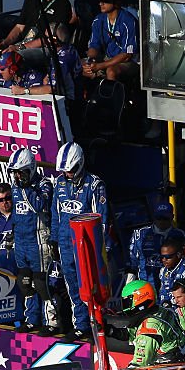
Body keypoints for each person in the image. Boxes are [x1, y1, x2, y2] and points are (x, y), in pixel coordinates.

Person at [50, 141, 107, 341]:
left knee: (91, 285)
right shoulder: (59, 183)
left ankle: (98, 323)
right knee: (72, 287)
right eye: (65, 171)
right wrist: (54, 240)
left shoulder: (95, 184)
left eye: (71, 170)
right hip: (66, 244)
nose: (68, 174)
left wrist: (100, 248)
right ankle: (81, 326)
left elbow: (102, 219)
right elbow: (55, 214)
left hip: (87, 245)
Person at [7, 148, 55, 332]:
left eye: (21, 172)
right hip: (21, 242)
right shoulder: (14, 187)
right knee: (25, 283)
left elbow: (40, 206)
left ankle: (51, 323)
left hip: (38, 240)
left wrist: (27, 187)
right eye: (15, 173)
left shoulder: (44, 184)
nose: (17, 177)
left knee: (42, 284)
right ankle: (32, 320)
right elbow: (16, 215)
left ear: (30, 169)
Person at [0, 0, 77, 71]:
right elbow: (20, 26)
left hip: (44, 47)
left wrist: (20, 47)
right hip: (23, 43)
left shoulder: (63, 4)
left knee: (14, 57)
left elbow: (51, 38)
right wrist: (5, 43)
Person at [110, 280, 185, 367]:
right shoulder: (160, 310)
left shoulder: (149, 328)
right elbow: (131, 333)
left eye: (127, 303)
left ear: (140, 300)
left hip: (172, 367)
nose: (125, 308)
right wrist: (110, 330)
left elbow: (137, 367)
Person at [127, 201, 185, 290]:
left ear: (172, 217)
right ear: (153, 217)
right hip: (146, 287)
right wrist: (129, 286)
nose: (161, 221)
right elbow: (132, 264)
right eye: (158, 218)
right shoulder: (140, 235)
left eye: (165, 218)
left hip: (173, 288)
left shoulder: (182, 236)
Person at [84, 0, 139, 83]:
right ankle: (87, 96)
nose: (101, 4)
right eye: (100, 1)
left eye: (105, 1)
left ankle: (112, 97)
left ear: (115, 2)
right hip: (107, 57)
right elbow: (94, 46)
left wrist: (100, 66)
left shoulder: (128, 20)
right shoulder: (98, 20)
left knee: (111, 71)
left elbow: (127, 55)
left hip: (129, 61)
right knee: (79, 64)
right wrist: (90, 60)